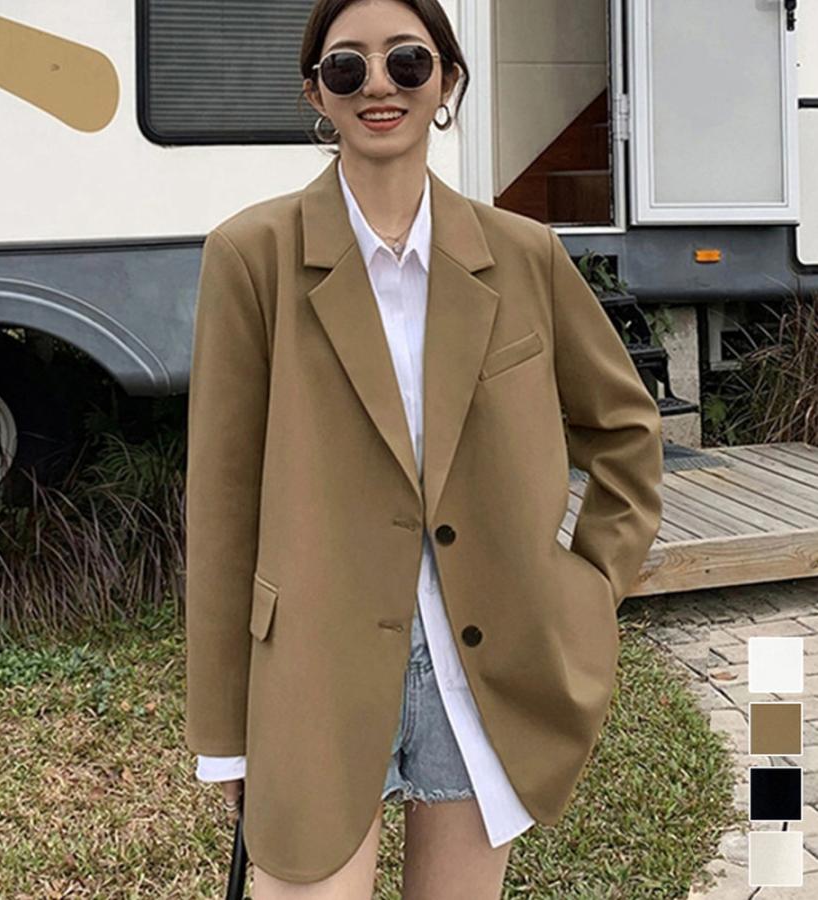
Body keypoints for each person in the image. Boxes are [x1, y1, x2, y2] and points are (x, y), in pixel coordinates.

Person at [184, 1, 664, 898]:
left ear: (446, 80)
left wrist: (589, 586)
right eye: (346, 67)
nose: (379, 84)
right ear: (315, 95)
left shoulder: (523, 255)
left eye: (406, 61)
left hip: (483, 670)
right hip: (313, 673)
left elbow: (626, 432)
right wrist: (223, 736)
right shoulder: (251, 256)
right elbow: (220, 506)